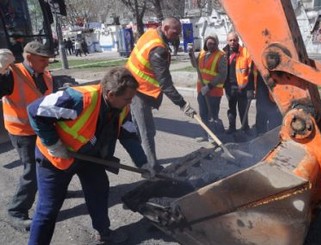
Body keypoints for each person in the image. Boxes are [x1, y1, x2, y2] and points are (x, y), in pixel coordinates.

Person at [27, 67, 146, 244]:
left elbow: (128, 135)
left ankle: (104, 233)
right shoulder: (79, 99)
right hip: (57, 159)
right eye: (127, 98)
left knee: (99, 192)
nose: (130, 102)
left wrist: (143, 164)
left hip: (90, 157)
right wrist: (53, 144)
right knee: (48, 209)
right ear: (111, 94)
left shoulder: (122, 107)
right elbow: (35, 110)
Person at [126, 16, 196, 177]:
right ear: (165, 28)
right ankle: (152, 168)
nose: (177, 35)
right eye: (175, 32)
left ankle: (142, 161)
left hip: (134, 84)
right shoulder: (158, 49)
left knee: (140, 129)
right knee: (147, 131)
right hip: (139, 91)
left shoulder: (151, 32)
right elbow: (165, 84)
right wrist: (183, 104)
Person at [0, 41, 55, 231]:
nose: (46, 63)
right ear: (29, 58)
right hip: (21, 131)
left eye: (47, 59)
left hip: (40, 129)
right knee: (31, 171)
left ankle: (50, 191)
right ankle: (16, 211)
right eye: (42, 60)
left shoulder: (45, 75)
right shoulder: (11, 74)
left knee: (50, 164)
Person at [188, 33, 227, 143]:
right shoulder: (202, 53)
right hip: (201, 90)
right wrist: (191, 55)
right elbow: (195, 65)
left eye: (214, 43)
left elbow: (222, 74)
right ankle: (205, 134)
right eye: (209, 43)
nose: (211, 45)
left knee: (212, 114)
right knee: (203, 113)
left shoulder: (221, 55)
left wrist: (209, 86)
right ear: (206, 43)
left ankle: (213, 136)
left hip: (214, 92)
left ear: (217, 43)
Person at [223, 32, 254, 134]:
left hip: (242, 87)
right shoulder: (223, 53)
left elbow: (251, 72)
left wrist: (250, 88)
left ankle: (245, 128)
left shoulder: (245, 52)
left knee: (243, 109)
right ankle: (232, 128)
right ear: (227, 41)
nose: (233, 42)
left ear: (238, 40)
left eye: (235, 40)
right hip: (229, 87)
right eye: (230, 40)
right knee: (231, 109)